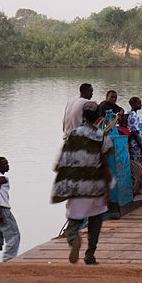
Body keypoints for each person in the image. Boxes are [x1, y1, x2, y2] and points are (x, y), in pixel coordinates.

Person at [52, 101, 114, 265]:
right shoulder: (102, 136)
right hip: (96, 185)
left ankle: (74, 240)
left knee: (74, 221)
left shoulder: (73, 134)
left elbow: (64, 161)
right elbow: (105, 164)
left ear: (83, 116)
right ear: (98, 118)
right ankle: (90, 255)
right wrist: (108, 189)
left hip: (78, 185)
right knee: (96, 221)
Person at [0, 156, 20, 262]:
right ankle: (8, 260)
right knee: (14, 236)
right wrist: (0, 213)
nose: (7, 166)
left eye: (7, 163)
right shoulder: (0, 179)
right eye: (4, 164)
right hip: (1, 209)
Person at [126, 97, 142, 189]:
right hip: (136, 145)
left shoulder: (135, 115)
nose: (141, 105)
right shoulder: (132, 115)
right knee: (139, 165)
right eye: (139, 103)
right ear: (134, 104)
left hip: (140, 143)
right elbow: (134, 132)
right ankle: (141, 185)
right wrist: (141, 146)